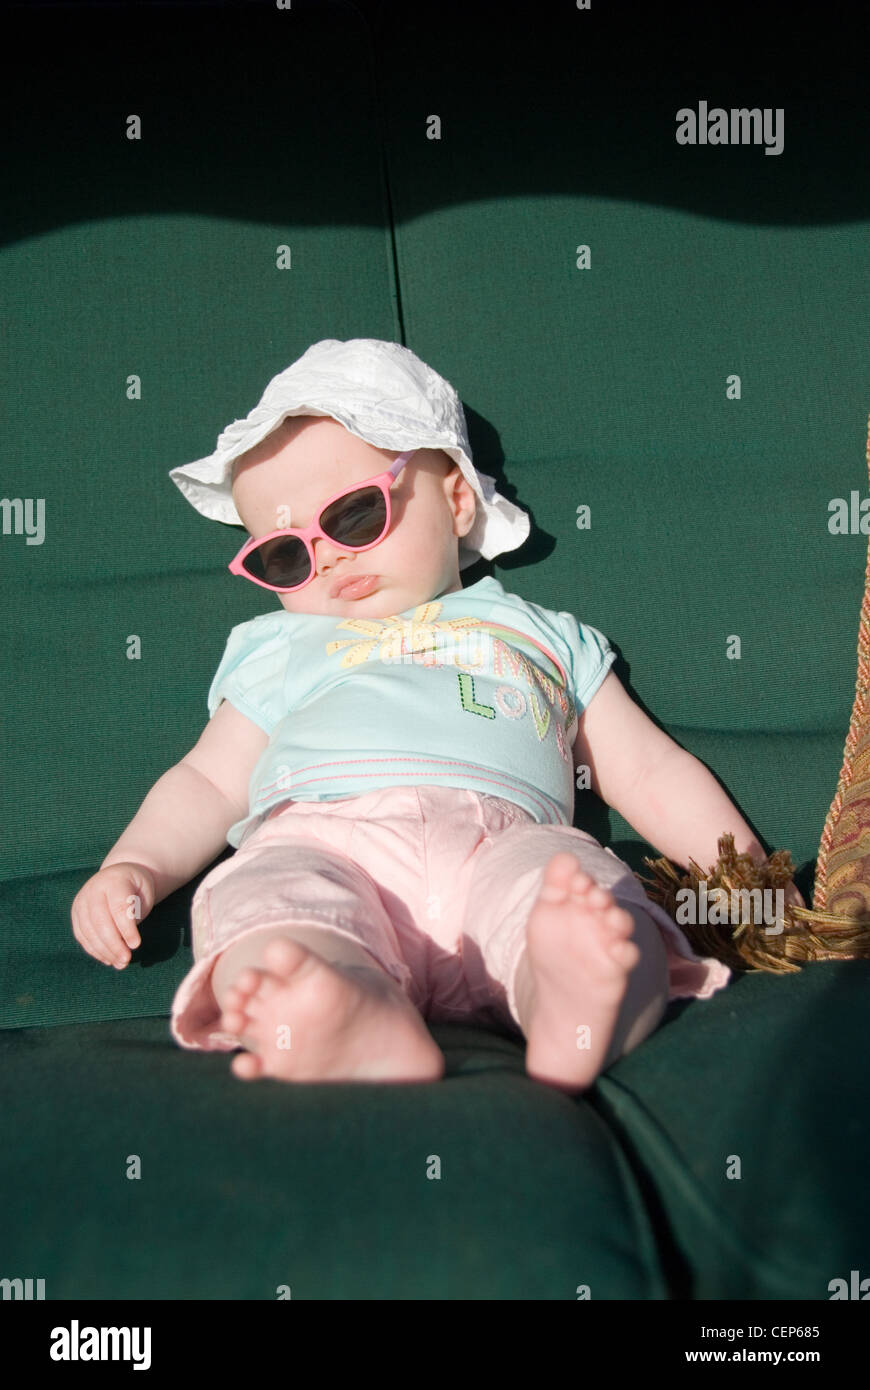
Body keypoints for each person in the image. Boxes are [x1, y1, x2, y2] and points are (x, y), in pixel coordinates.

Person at [70, 339, 804, 1093]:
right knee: (273, 904)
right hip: (325, 844)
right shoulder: (278, 648)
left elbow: (646, 769)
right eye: (284, 555)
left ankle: (576, 997)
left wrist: (741, 873)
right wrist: (137, 867)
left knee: (582, 893)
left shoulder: (541, 634)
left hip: (505, 846)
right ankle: (337, 1007)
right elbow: (206, 782)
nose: (327, 560)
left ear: (456, 499)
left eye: (355, 515)